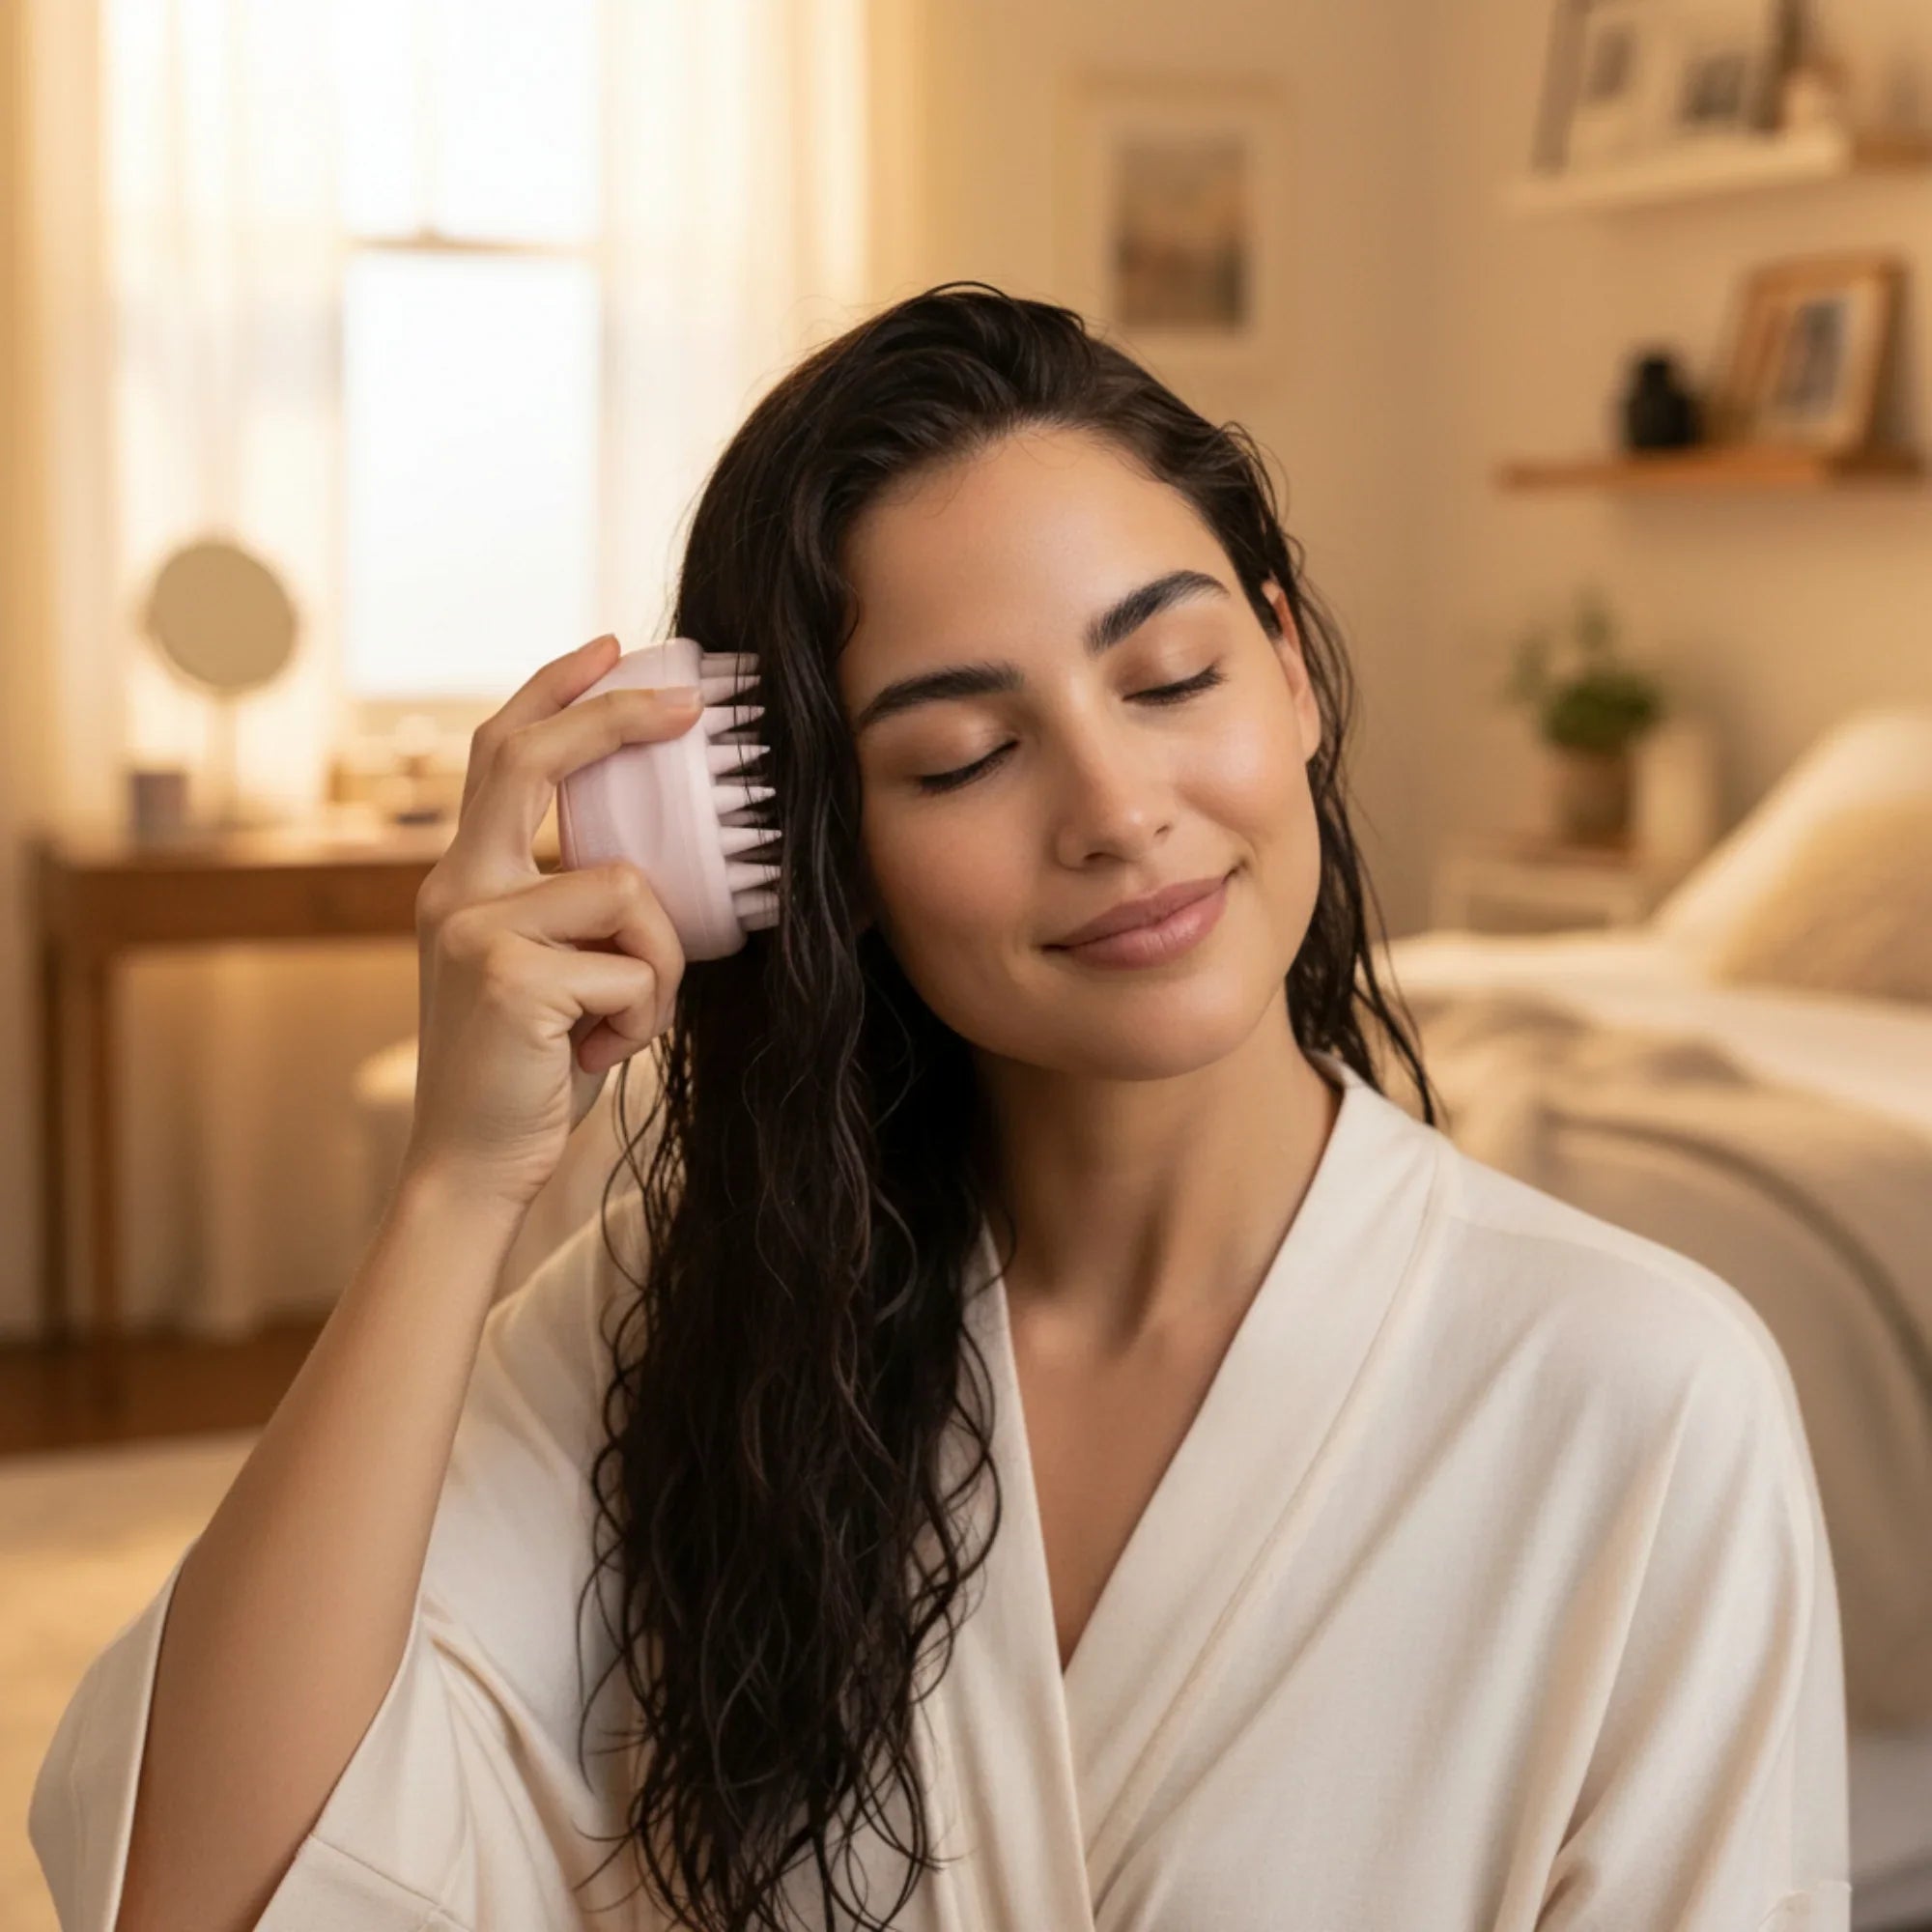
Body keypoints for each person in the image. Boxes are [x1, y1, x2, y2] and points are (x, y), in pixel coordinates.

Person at [32, 283, 1850, 1932]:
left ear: (1291, 671)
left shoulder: (1642, 1396)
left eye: (1170, 676)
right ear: (816, 853)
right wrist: (455, 1189)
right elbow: (196, 1892)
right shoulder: (692, 1317)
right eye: (961, 754)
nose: (1117, 805)